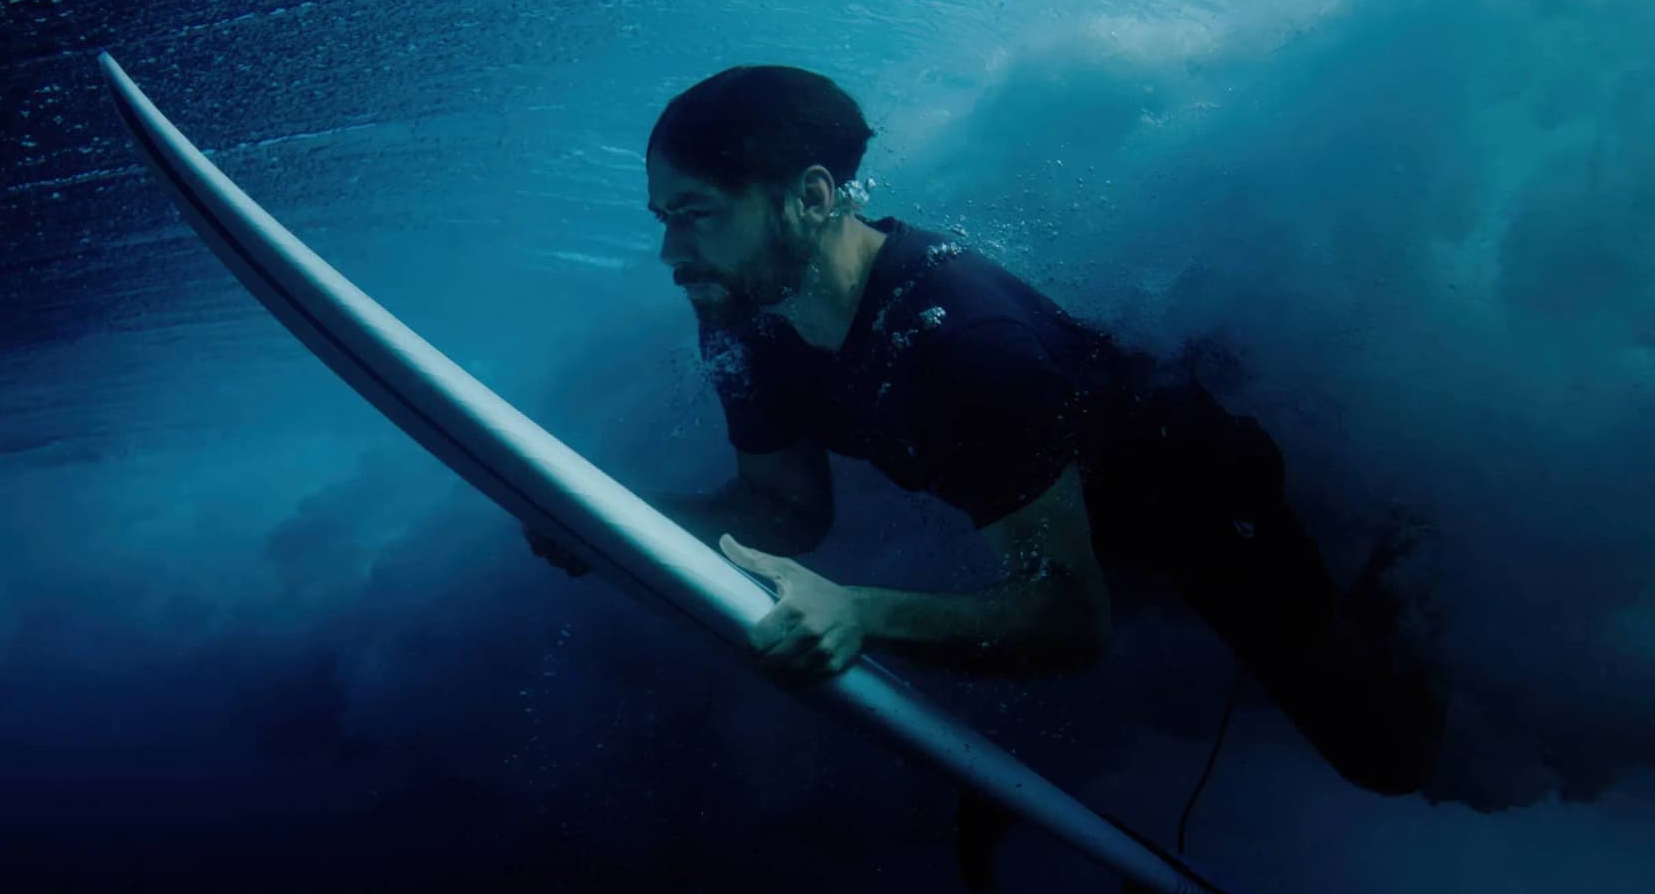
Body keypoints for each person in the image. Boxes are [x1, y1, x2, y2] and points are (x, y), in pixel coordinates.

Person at [529, 63, 1446, 806]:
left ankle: (1390, 574)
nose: (671, 254)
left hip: (1197, 499)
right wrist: (619, 520)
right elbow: (786, 508)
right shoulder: (744, 313)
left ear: (810, 196)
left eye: (696, 216)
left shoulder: (962, 343)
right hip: (1065, 504)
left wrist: (860, 612)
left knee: (1386, 761)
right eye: (664, 219)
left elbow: (1071, 620)